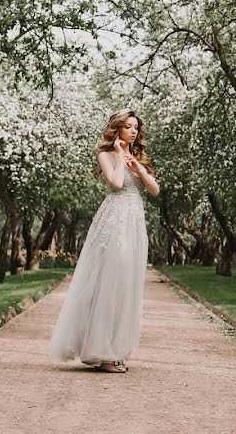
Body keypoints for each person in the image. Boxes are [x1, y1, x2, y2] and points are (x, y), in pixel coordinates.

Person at [50, 109, 159, 373]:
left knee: (127, 285)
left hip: (134, 223)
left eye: (136, 127)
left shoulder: (140, 156)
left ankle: (115, 349)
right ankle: (103, 353)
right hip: (114, 221)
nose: (133, 131)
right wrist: (122, 157)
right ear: (117, 130)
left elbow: (155, 190)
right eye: (128, 127)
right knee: (110, 281)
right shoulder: (105, 155)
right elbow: (117, 184)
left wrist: (140, 169)